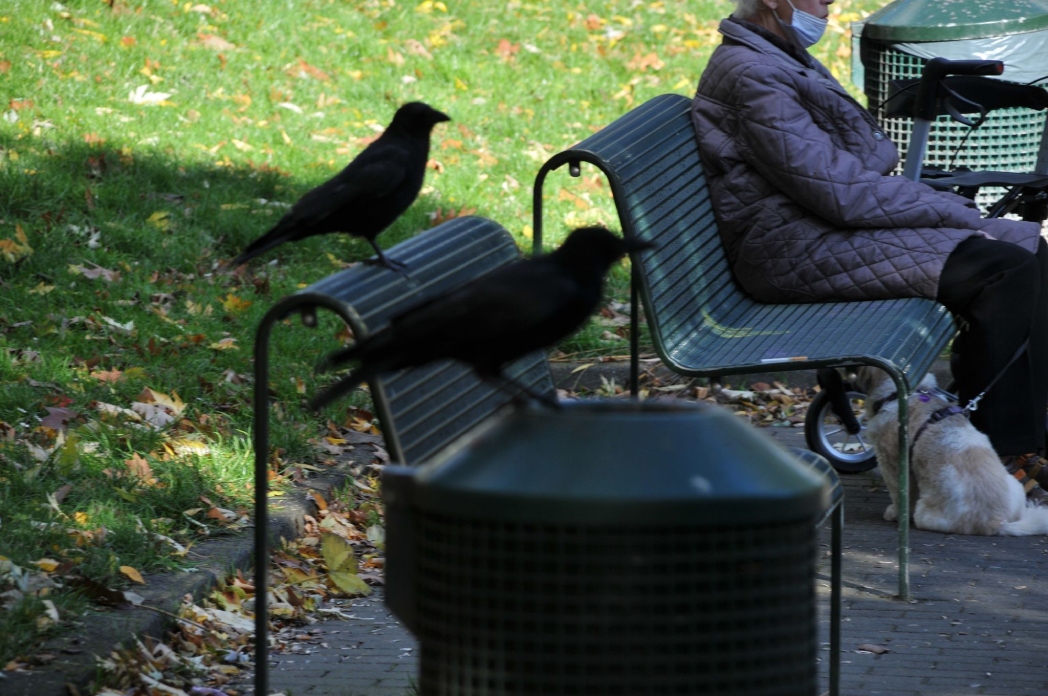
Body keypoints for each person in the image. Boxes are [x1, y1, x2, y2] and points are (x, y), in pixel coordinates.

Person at [692, 0, 1048, 500]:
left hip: (820, 228)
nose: (829, 4)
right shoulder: (751, 73)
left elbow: (842, 179)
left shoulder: (777, 53)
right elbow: (840, 192)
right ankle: (1000, 453)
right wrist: (952, 211)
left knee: (1033, 249)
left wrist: (947, 210)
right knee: (1002, 269)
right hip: (793, 249)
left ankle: (1023, 437)